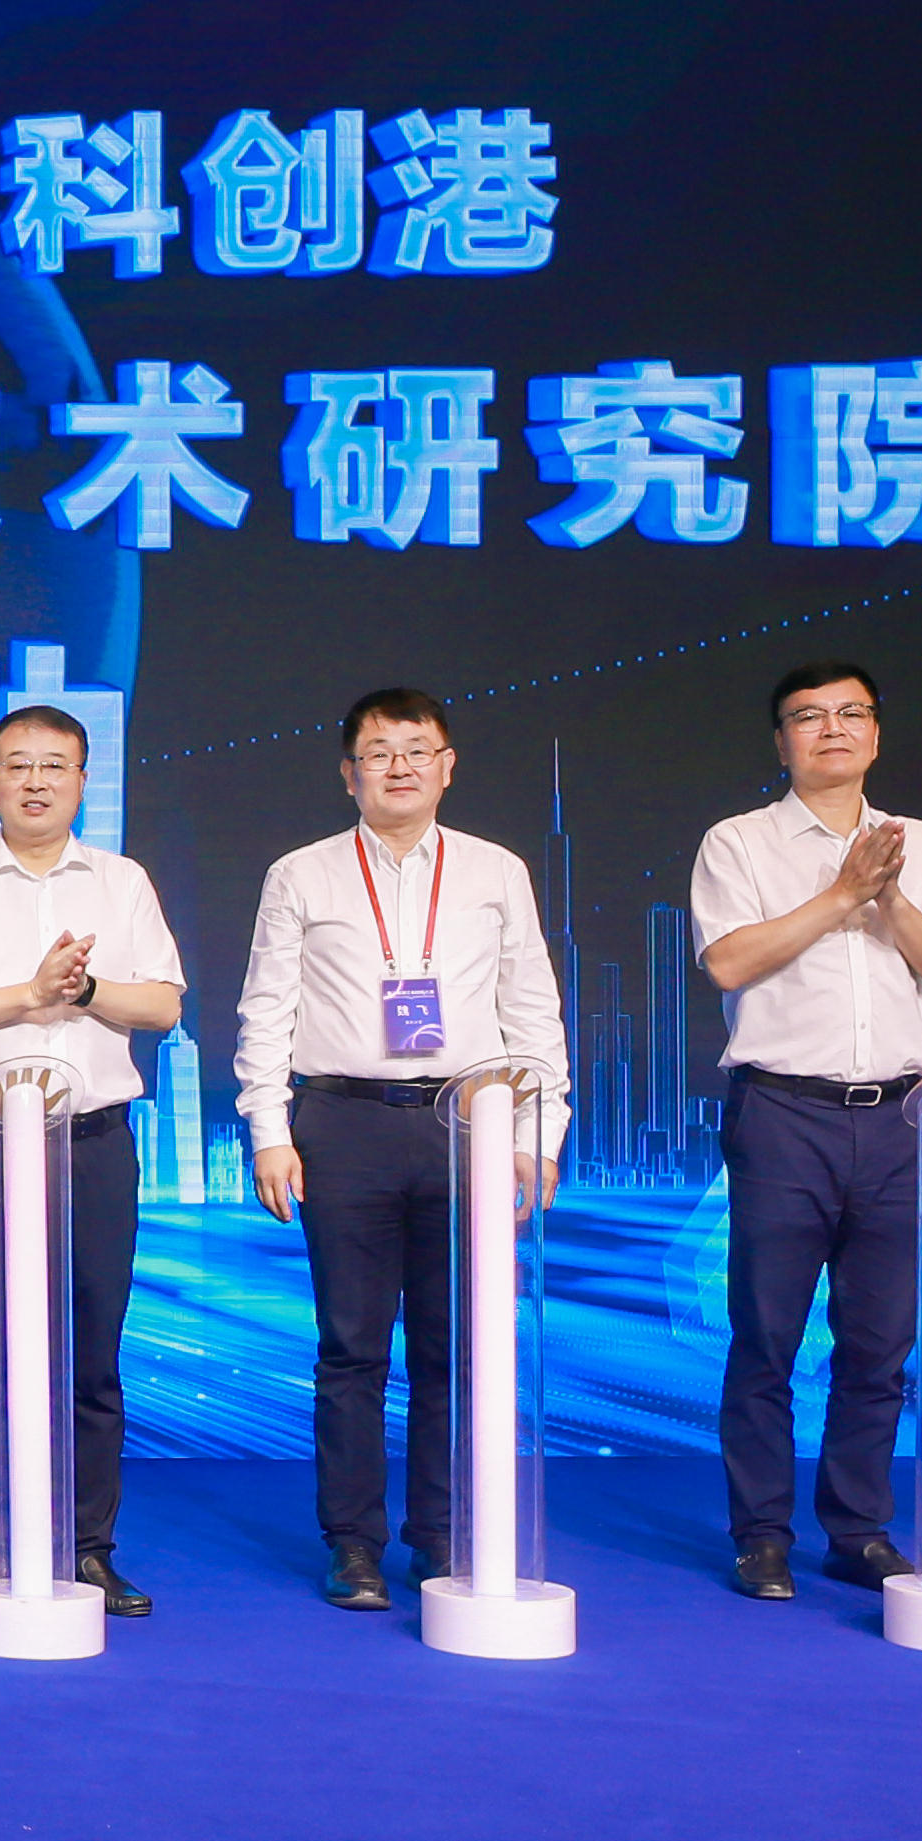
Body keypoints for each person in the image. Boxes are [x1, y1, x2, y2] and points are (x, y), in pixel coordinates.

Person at [237, 686, 560, 1611]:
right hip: (343, 1122)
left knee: (453, 1347)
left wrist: (536, 1136)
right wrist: (270, 1130)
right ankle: (354, 1544)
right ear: (350, 775)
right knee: (351, 1348)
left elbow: (532, 1008)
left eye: (418, 750)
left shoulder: (496, 870)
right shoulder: (301, 874)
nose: (400, 767)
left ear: (447, 767)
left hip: (469, 1122)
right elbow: (267, 1009)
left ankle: (442, 1534)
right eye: (379, 753)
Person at [689, 658, 922, 1602]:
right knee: (767, 1336)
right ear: (781, 740)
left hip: (902, 1118)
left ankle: (858, 1530)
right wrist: (841, 893)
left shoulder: (919, 844)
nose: (833, 729)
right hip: (784, 1112)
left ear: (876, 734)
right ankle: (762, 1535)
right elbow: (728, 962)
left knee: (880, 1341)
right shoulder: (738, 842)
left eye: (852, 713)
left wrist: (888, 893)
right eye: (809, 716)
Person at [0, 705, 186, 1616]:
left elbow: (164, 1006)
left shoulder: (123, 882)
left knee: (92, 1354)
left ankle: (87, 1550)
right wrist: (30, 993)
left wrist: (84, 991)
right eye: (17, 765)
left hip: (94, 1143)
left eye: (55, 765)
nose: (36, 781)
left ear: (84, 780)